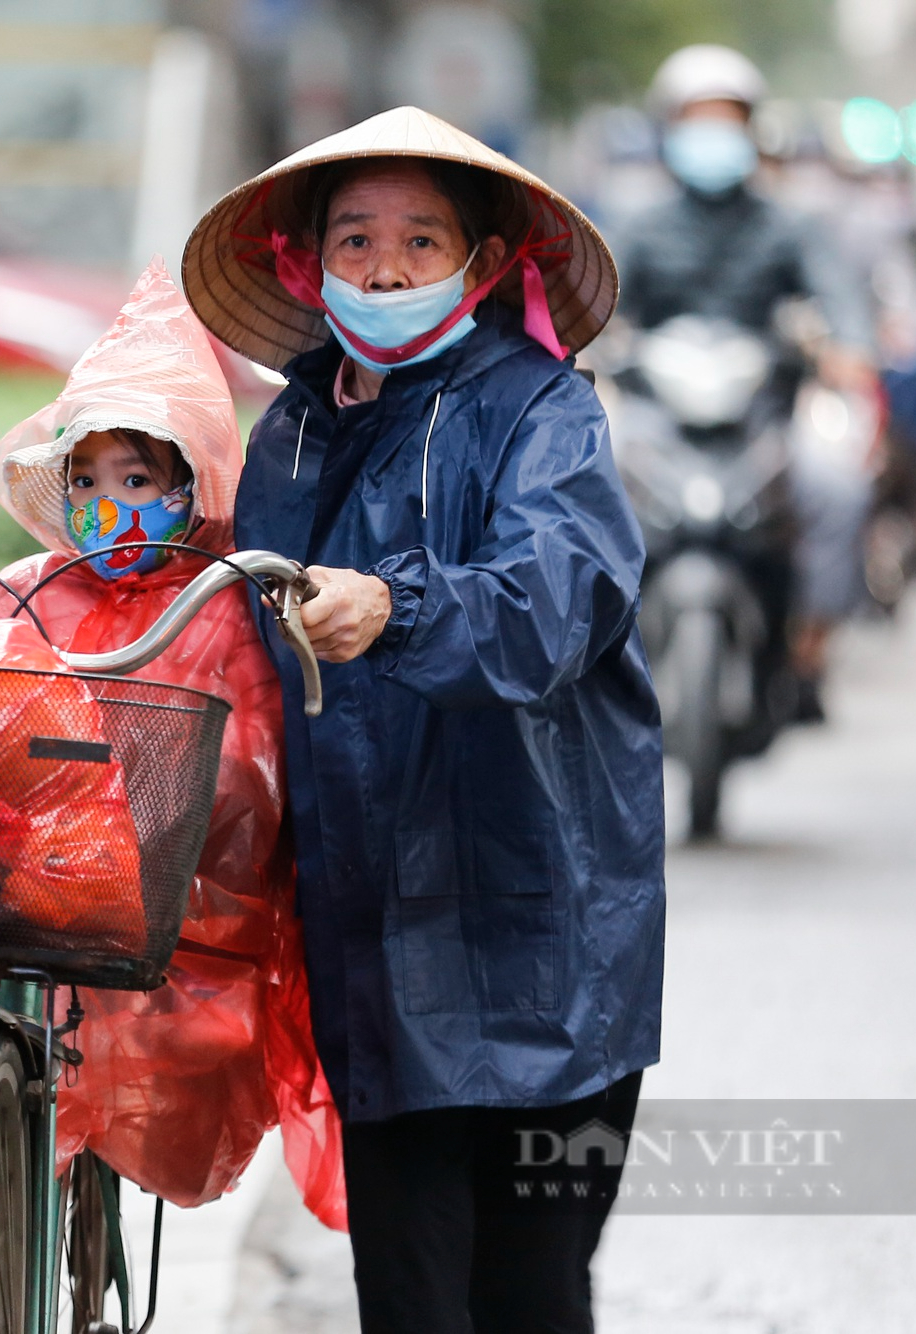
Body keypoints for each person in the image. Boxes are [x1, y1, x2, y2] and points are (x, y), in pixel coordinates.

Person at [182, 106, 664, 1334]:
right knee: (405, 1297)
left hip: (543, 936)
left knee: (531, 1294)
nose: (384, 269)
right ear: (305, 261)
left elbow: (551, 606)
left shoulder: (543, 415)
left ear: (485, 260)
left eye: (418, 239)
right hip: (376, 937)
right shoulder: (287, 434)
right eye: (353, 240)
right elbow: (232, 641)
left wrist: (391, 608)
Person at [0, 261, 346, 1263]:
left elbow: (243, 772)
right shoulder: (22, 586)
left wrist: (119, 807)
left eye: (138, 480)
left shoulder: (222, 599)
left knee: (187, 1039)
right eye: (88, 482)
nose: (110, 506)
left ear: (190, 489)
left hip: (165, 918)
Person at [618, 44, 882, 716]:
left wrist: (849, 346)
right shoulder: (638, 227)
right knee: (579, 496)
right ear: (669, 129)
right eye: (696, 119)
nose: (711, 135)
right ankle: (589, 651)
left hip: (761, 419)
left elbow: (841, 299)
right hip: (659, 421)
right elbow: (595, 304)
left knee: (839, 491)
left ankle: (811, 644)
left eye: (725, 120)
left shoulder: (790, 225)